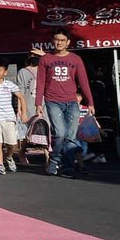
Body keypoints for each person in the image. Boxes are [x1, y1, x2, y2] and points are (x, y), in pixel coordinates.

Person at [35, 29, 95, 177]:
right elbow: (41, 82)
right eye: (56, 39)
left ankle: (67, 166)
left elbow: (84, 82)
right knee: (60, 133)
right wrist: (38, 103)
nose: (59, 42)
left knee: (70, 136)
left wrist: (91, 102)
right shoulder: (45, 59)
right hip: (52, 101)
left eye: (62, 40)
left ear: (68, 42)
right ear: (52, 41)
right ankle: (55, 161)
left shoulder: (75, 59)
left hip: (71, 101)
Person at [16, 54, 41, 121]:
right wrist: (19, 109)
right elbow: (20, 93)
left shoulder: (45, 70)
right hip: (27, 107)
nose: (34, 58)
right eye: (32, 55)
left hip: (44, 107)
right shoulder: (23, 72)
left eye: (37, 55)